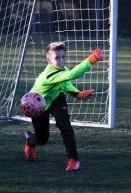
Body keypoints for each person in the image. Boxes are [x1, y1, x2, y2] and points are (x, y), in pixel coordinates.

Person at [24, 42, 103, 171]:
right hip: (38, 105)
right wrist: (92, 59)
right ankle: (30, 140)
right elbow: (72, 75)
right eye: (57, 57)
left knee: (65, 125)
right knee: (42, 139)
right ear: (48, 59)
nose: (61, 60)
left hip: (56, 98)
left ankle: (73, 160)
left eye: (63, 57)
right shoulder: (48, 75)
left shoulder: (62, 69)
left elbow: (66, 84)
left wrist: (78, 94)